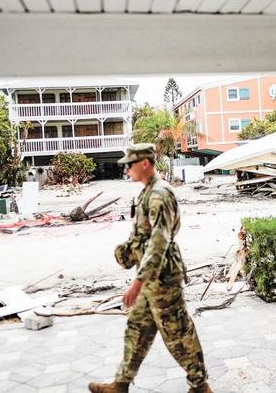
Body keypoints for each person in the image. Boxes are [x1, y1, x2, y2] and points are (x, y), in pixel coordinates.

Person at [89, 143, 211, 393]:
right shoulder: (148, 191)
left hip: (163, 278)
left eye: (130, 164)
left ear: (145, 163)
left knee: (178, 332)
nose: (127, 170)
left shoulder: (160, 194)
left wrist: (138, 282)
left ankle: (200, 387)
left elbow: (160, 240)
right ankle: (120, 384)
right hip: (151, 279)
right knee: (138, 326)